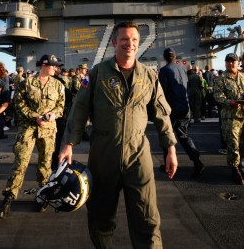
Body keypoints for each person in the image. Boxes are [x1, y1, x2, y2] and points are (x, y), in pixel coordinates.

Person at [59, 21, 177, 248]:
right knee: (100, 218)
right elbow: (79, 108)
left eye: (134, 40)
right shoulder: (97, 73)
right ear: (114, 42)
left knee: (147, 218)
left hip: (138, 155)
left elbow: (162, 113)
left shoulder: (149, 76)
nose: (129, 44)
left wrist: (170, 148)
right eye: (124, 39)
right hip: (104, 155)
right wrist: (69, 144)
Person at [0, 54, 65, 219]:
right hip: (28, 128)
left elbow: (61, 106)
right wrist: (35, 116)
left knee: (45, 165)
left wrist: (53, 114)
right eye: (53, 66)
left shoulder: (58, 85)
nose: (56, 69)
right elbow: (19, 105)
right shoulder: (26, 83)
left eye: (57, 66)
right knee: (20, 163)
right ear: (44, 66)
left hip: (48, 131)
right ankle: (8, 198)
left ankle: (43, 196)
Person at [213, 52, 244, 184]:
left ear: (238, 63)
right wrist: (230, 102)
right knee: (233, 144)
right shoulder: (221, 79)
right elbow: (218, 97)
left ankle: (236, 160)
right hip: (230, 116)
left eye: (233, 61)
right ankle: (235, 168)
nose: (230, 63)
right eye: (228, 61)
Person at [159, 47, 205, 177]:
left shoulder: (164, 71)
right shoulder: (182, 70)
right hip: (185, 107)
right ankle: (197, 161)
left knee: (166, 135)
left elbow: (161, 92)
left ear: (164, 57)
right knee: (183, 135)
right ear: (175, 57)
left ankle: (167, 164)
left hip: (172, 109)